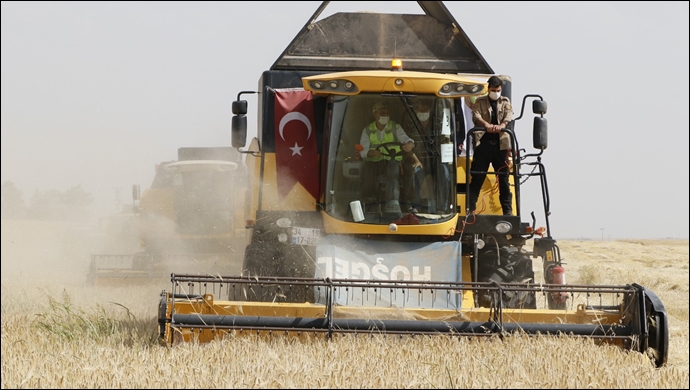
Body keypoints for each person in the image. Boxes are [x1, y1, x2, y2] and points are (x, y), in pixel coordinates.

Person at [468, 75, 515, 216]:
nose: (496, 92)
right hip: (483, 144)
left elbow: (509, 115)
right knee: (477, 177)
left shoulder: (505, 101)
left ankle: (508, 211)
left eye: (498, 89)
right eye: (494, 90)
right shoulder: (480, 102)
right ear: (488, 89)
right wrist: (486, 125)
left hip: (501, 146)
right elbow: (476, 115)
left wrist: (502, 126)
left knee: (504, 179)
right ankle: (470, 210)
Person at [359, 100, 416, 212]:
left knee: (408, 169)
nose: (385, 115)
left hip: (394, 161)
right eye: (382, 113)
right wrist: (371, 153)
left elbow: (405, 138)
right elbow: (362, 150)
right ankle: (370, 202)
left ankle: (405, 203)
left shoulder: (395, 127)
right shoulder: (367, 130)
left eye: (387, 113)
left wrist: (410, 144)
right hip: (376, 162)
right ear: (375, 114)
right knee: (367, 171)